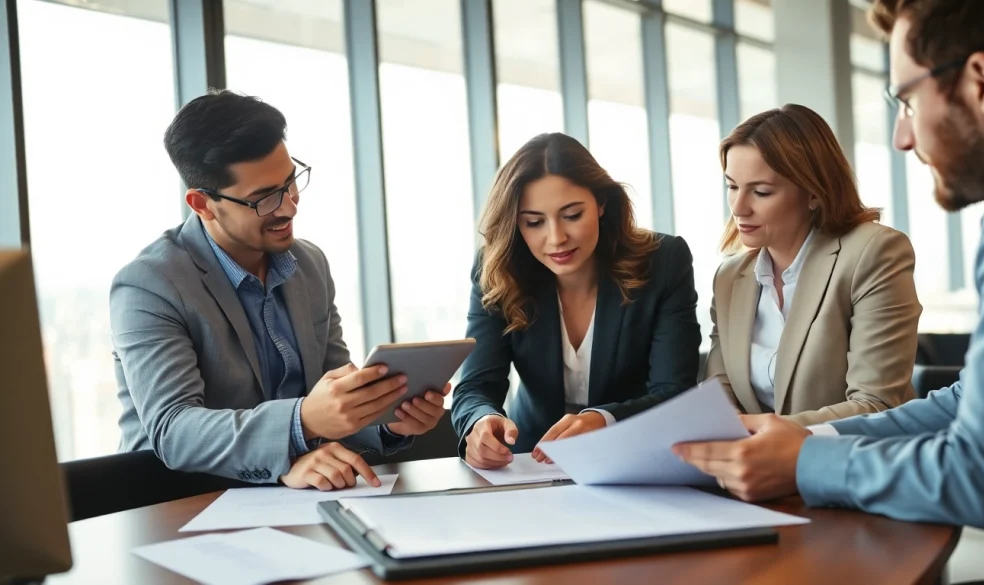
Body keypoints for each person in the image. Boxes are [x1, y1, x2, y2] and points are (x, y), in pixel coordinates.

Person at [675, 0, 984, 579]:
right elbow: (965, 401)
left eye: (907, 100)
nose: (902, 136)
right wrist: (797, 437)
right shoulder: (732, 274)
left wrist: (807, 458)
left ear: (983, 81)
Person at [112, 90, 450, 490]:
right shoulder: (149, 285)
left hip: (294, 500)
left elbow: (332, 399)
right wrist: (302, 421)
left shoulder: (310, 266)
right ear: (202, 203)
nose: (289, 207)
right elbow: (174, 430)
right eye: (264, 198)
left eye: (290, 182)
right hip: (179, 502)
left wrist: (389, 420)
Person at [451, 132, 702, 469]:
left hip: (635, 457)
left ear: (601, 203)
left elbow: (675, 393)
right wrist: (479, 423)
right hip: (530, 460)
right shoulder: (498, 269)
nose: (556, 238)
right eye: (534, 222)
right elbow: (476, 385)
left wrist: (604, 419)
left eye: (571, 215)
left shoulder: (663, 261)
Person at [705, 104, 920, 426]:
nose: (738, 208)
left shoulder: (874, 252)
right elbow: (719, 390)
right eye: (732, 186)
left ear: (814, 193)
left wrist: (764, 432)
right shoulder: (729, 276)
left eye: (761, 192)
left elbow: (876, 404)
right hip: (755, 468)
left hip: (855, 463)